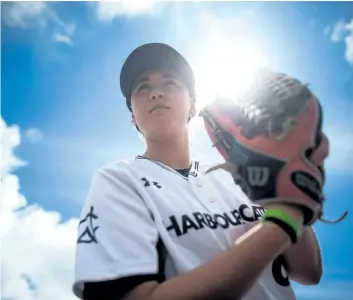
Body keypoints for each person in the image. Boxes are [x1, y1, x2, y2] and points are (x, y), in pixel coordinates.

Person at [72, 43, 323, 300]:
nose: (156, 93)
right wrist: (283, 221)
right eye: (143, 87)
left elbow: (308, 271)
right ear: (133, 117)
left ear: (193, 105)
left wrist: (282, 177)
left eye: (170, 83)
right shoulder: (120, 180)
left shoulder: (240, 178)